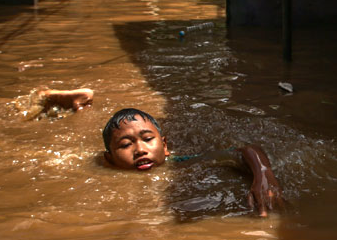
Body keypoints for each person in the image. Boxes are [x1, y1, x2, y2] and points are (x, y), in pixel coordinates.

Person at [38, 88, 284, 217]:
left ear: (165, 147)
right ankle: (77, 104)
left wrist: (263, 175)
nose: (140, 150)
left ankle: (80, 102)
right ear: (109, 159)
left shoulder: (178, 162)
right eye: (125, 145)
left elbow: (245, 150)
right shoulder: (100, 166)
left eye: (148, 140)